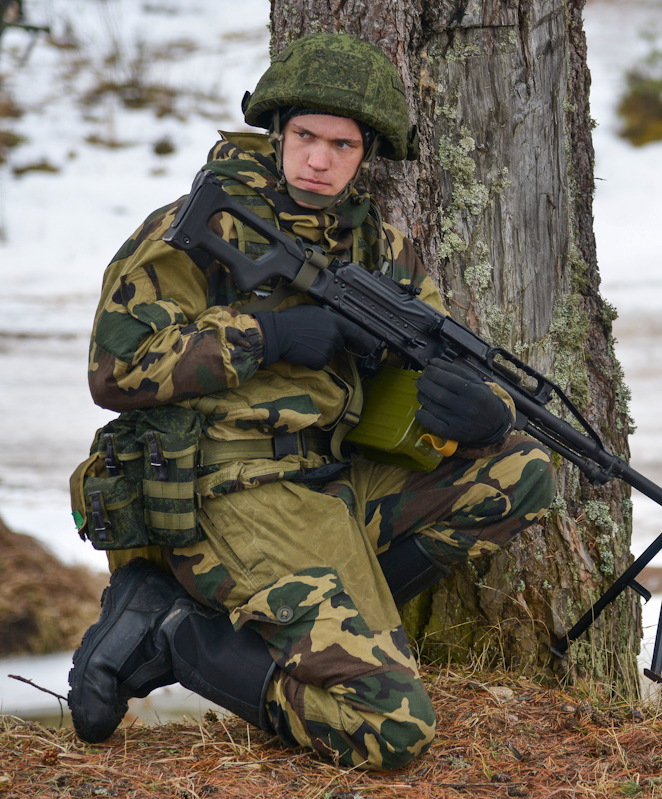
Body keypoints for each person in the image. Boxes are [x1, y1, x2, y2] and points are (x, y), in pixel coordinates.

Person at [67, 32, 556, 770]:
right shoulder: (200, 227)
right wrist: (266, 335)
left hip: (328, 484)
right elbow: (115, 369)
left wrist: (484, 410)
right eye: (305, 137)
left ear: (368, 155)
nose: (320, 160)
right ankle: (176, 631)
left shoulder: (382, 252)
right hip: (225, 488)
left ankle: (302, 629)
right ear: (278, 132)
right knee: (392, 730)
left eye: (343, 144)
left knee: (519, 468)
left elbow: (439, 360)